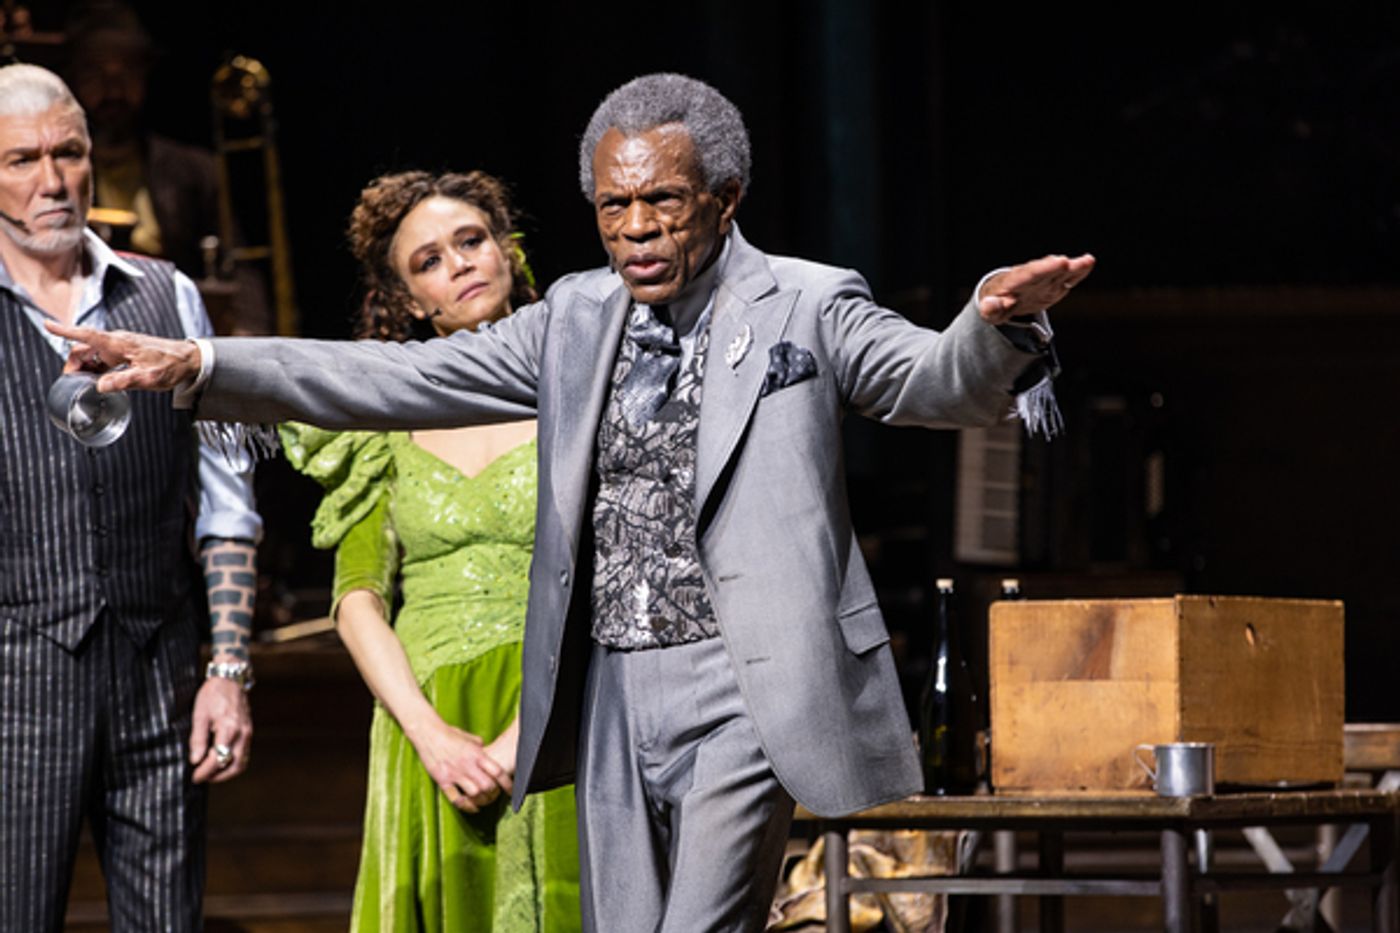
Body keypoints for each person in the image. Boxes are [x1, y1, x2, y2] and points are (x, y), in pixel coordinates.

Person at [54, 72, 1094, 932]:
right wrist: (196, 360)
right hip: (604, 696)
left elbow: (926, 381)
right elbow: (389, 383)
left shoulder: (806, 302)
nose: (634, 230)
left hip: (742, 684)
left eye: (662, 204)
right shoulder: (573, 319)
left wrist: (990, 325)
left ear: (724, 199)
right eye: (612, 208)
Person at [279, 170, 579, 931]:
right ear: (411, 300)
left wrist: (527, 736)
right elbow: (356, 596)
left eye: (472, 240)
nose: (461, 263)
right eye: (430, 260)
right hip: (433, 722)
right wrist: (432, 734)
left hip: (561, 709)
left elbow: (614, 571)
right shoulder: (383, 420)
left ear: (507, 251)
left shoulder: (580, 392)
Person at [0, 63, 260, 932]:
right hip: (16, 683)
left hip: (158, 680)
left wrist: (226, 669)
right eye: (20, 160)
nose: (51, 180)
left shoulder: (166, 295)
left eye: (67, 152)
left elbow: (227, 495)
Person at [62, 0, 274, 336]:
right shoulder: (54, 175)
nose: (113, 90)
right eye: (95, 74)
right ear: (72, 78)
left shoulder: (193, 170)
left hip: (176, 330)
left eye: (126, 72)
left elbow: (239, 267)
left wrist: (251, 338)